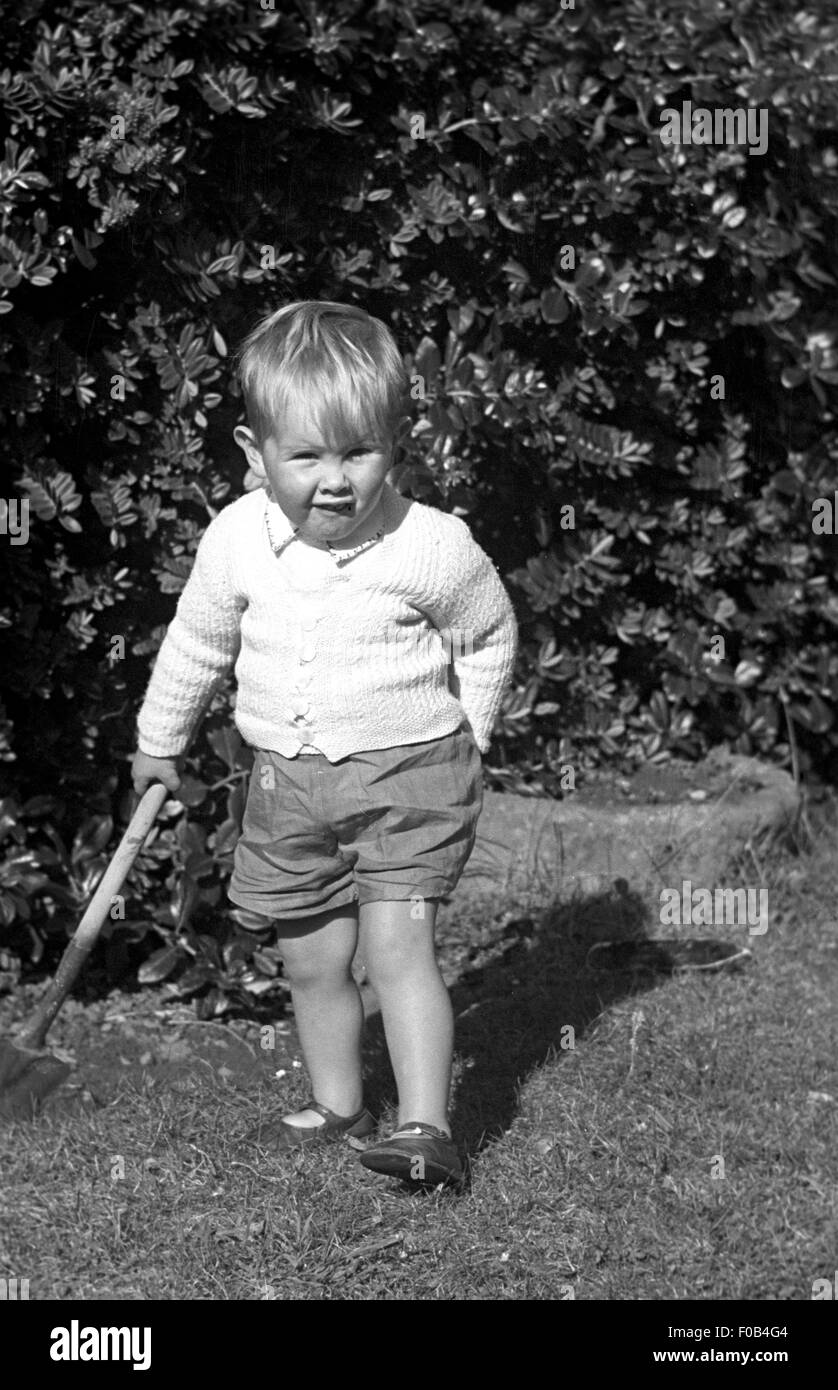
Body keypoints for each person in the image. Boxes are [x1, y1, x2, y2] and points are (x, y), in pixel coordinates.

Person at [131, 300, 518, 1186]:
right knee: (310, 956)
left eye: (360, 452)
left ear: (396, 443)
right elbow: (198, 643)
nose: (335, 480)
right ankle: (339, 1102)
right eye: (306, 455)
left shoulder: (432, 546)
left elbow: (487, 633)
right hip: (287, 787)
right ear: (253, 448)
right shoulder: (236, 540)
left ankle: (426, 1128)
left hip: (412, 778)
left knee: (397, 951)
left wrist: (475, 727)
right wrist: (160, 739)